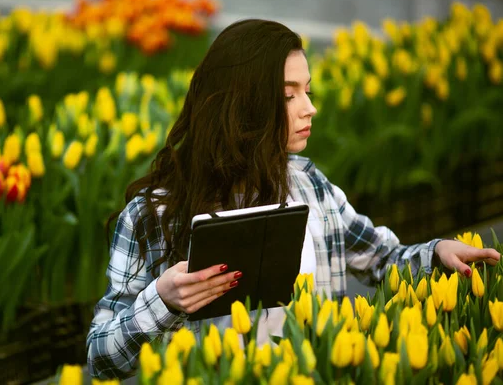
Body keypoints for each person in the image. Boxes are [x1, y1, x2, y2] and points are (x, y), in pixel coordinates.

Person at [87, 19, 500, 380]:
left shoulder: (309, 186)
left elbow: (382, 258)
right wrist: (162, 300)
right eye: (289, 95)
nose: (311, 108)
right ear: (242, 104)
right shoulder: (154, 214)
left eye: (308, 90)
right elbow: (101, 359)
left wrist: (437, 252)